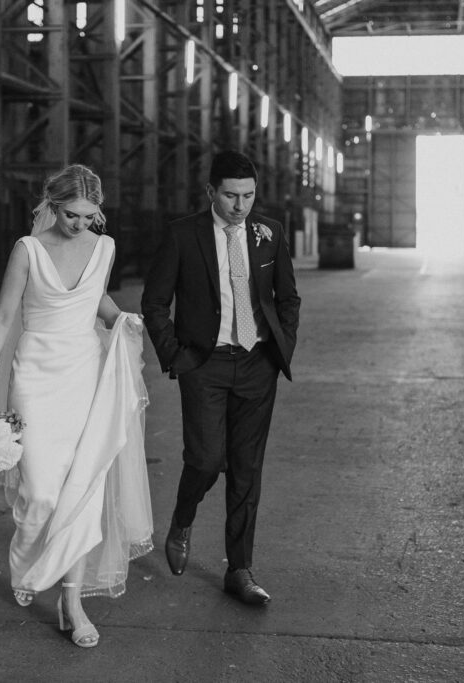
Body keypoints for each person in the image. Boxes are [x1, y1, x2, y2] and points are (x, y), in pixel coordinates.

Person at [0, 164, 153, 648]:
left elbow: (96, 301)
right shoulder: (27, 249)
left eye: (91, 216)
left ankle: (73, 599)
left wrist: (125, 321)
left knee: (82, 484)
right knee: (43, 492)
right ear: (51, 204)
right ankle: (32, 565)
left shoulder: (104, 247)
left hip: (84, 372)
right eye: (72, 214)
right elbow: (5, 316)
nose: (81, 225)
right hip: (35, 374)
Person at [141, 150, 300, 605]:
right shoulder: (182, 236)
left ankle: (241, 569)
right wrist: (175, 355)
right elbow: (155, 303)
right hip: (204, 363)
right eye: (230, 195)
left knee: (247, 469)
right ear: (211, 191)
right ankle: (183, 517)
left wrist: (281, 345)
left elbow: (288, 296)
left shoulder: (269, 233)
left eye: (248, 195)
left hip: (257, 363)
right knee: (208, 458)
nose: (240, 205)